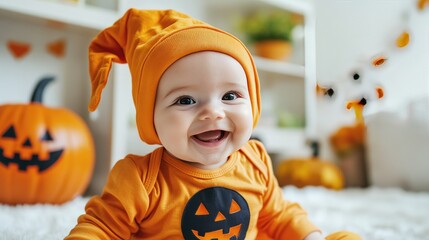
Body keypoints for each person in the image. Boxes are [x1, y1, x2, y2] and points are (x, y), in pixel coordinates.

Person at [65, 8, 361, 240]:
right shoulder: (140, 180)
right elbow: (101, 228)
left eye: (230, 95)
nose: (212, 112)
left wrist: (311, 237)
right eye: (185, 100)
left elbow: (279, 215)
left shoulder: (255, 162)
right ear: (150, 118)